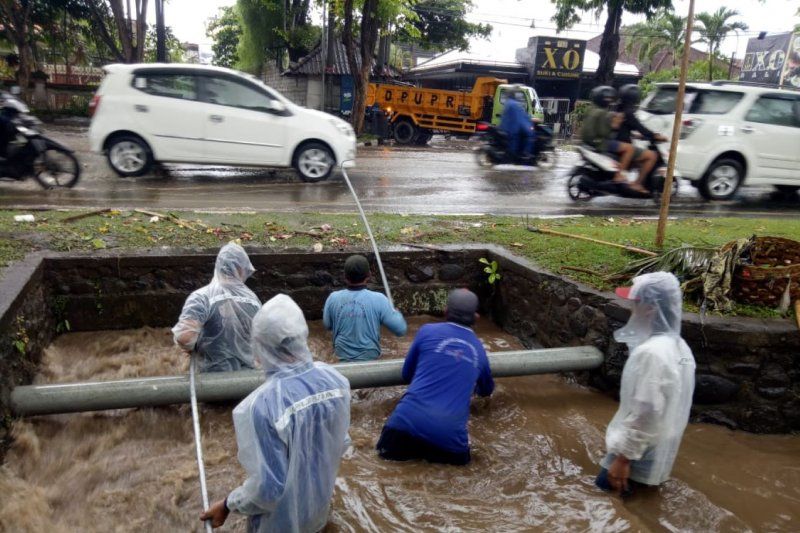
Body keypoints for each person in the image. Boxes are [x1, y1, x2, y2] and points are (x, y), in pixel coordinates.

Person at [200, 294, 351, 532]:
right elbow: (340, 443)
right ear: (301, 337)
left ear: (260, 345)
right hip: (318, 512)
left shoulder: (264, 405)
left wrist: (228, 504)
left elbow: (268, 489)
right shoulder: (335, 381)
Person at [595, 272, 696, 496]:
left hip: (635, 455)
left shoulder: (652, 353)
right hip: (658, 451)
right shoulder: (680, 347)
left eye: (635, 303)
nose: (631, 308)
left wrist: (623, 459)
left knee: (604, 502)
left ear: (650, 309)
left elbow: (648, 409)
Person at [376, 289, 494, 465]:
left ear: (446, 311)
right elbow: (486, 391)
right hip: (448, 439)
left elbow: (407, 374)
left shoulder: (426, 331)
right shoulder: (480, 351)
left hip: (403, 424)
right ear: (476, 318)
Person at [172, 242, 261, 372]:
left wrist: (192, 347)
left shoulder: (201, 297)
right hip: (246, 380)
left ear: (218, 266)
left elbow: (185, 337)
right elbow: (264, 340)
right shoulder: (254, 300)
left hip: (213, 380)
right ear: (242, 270)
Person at [323, 254, 407, 362]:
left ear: (344, 276)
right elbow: (401, 330)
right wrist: (397, 314)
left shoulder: (332, 298)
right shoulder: (380, 299)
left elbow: (327, 325)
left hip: (341, 357)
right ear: (369, 275)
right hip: (370, 358)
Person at [615, 84, 668, 194]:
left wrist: (638, 136)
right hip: (622, 145)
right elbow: (640, 127)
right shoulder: (629, 112)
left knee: (639, 159)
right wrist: (655, 136)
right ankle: (637, 184)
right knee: (652, 156)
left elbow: (625, 128)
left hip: (616, 142)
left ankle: (628, 182)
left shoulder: (618, 108)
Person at [581, 85, 635, 186]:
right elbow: (603, 132)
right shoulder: (602, 113)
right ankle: (619, 175)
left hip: (587, 142)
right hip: (599, 143)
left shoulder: (590, 109)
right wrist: (613, 128)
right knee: (629, 148)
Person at [499, 89, 534, 160]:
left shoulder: (509, 103)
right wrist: (530, 121)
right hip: (512, 128)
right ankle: (525, 153)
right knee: (529, 135)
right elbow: (521, 117)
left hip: (506, 127)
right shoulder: (514, 104)